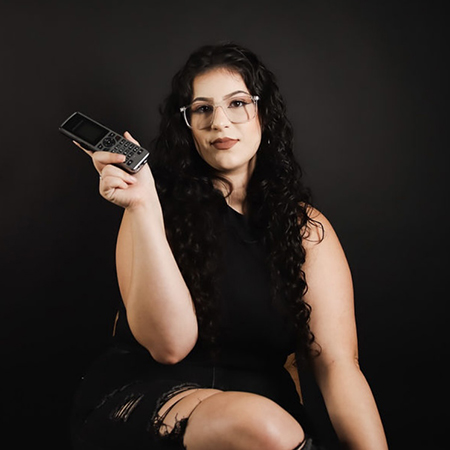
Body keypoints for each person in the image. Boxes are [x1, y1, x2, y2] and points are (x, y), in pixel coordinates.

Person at [70, 42, 388, 450]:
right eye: (202, 109)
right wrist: (145, 206)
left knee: (269, 425)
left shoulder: (306, 229)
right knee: (263, 426)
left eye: (237, 103)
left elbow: (339, 367)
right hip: (152, 399)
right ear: (187, 124)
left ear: (263, 113)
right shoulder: (151, 206)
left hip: (266, 414)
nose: (220, 122)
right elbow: (169, 346)